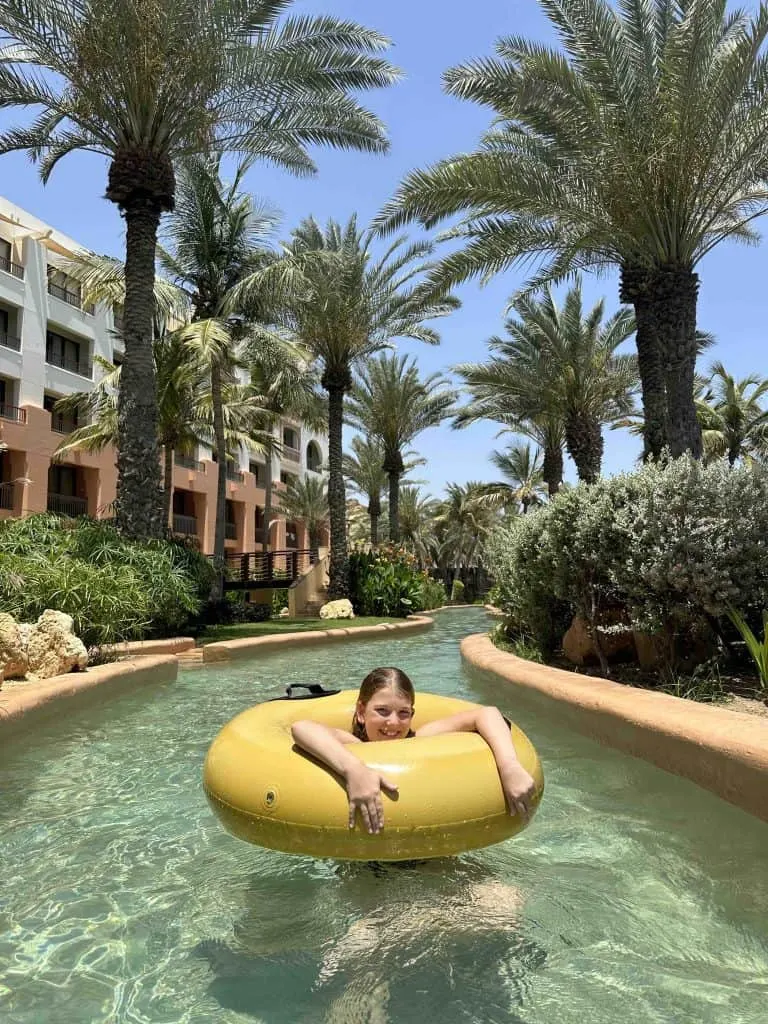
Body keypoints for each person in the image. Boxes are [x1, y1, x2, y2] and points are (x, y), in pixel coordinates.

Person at [291, 666, 537, 835]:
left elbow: (487, 713)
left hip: (432, 849)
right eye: (382, 711)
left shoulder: (420, 739)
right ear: (360, 712)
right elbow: (302, 728)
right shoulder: (354, 746)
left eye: (404, 713)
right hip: (367, 857)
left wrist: (509, 766)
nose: (394, 723)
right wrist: (354, 769)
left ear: (412, 715)